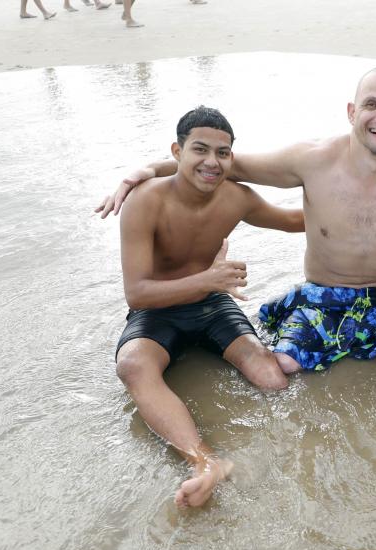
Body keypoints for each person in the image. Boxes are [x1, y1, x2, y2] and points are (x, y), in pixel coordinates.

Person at [97, 67, 376, 375]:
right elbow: (226, 164)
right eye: (372, 105)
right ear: (352, 112)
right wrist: (147, 168)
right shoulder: (310, 159)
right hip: (322, 292)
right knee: (284, 365)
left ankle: (374, 337)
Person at [114, 106, 303, 508]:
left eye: (223, 153)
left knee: (272, 379)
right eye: (200, 149)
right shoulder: (144, 201)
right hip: (159, 311)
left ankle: (276, 457)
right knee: (132, 365)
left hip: (212, 305)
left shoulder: (237, 198)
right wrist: (207, 280)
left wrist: (360, 199)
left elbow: (292, 220)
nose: (212, 162)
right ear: (177, 151)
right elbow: (137, 294)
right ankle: (204, 463)